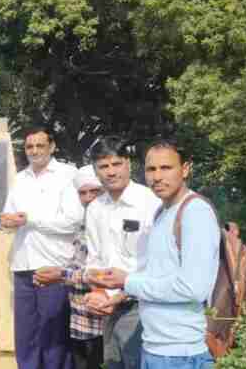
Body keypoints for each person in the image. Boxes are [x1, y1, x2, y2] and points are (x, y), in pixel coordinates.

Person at [92, 138, 219, 369]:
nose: (157, 176)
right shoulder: (163, 211)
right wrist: (118, 293)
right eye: (151, 169)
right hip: (154, 348)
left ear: (185, 169)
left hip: (180, 353)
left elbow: (193, 288)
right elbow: (157, 275)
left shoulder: (195, 212)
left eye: (166, 168)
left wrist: (128, 281)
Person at [1, 125, 83, 369]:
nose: (34, 151)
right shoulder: (20, 178)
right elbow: (9, 216)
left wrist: (31, 220)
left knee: (53, 336)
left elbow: (73, 221)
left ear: (52, 147)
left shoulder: (68, 175)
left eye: (40, 145)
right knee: (26, 337)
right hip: (23, 264)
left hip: (54, 266)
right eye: (29, 146)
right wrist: (7, 222)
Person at [83, 136, 162, 369]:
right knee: (114, 363)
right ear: (96, 171)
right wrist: (98, 293)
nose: (110, 172)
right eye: (103, 166)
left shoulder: (150, 202)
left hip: (144, 306)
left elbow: (158, 261)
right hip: (109, 308)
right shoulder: (96, 208)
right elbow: (95, 259)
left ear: (128, 164)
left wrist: (124, 292)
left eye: (116, 164)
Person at [34, 165, 106, 369]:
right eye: (83, 192)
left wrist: (61, 275)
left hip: (103, 317)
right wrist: (50, 275)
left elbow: (100, 273)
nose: (88, 197)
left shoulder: (111, 223)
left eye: (94, 191)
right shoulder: (81, 225)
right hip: (80, 318)